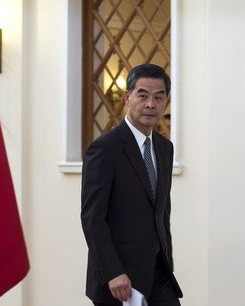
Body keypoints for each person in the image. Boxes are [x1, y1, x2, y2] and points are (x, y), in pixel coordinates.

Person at [81, 64, 183, 306]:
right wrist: (112, 272)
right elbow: (93, 218)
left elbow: (161, 210)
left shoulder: (164, 147)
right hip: (119, 280)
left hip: (159, 273)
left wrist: (167, 258)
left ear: (166, 102)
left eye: (159, 97)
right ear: (128, 98)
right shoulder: (105, 149)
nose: (151, 104)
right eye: (143, 95)